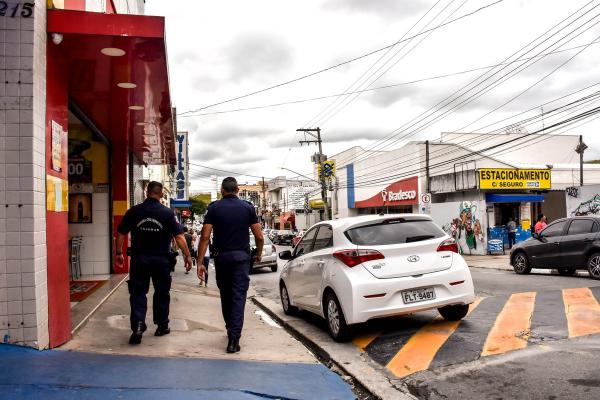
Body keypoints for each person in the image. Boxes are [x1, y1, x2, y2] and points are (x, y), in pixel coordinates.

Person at [115, 181, 193, 345]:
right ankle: (162, 326)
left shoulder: (134, 211)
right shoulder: (167, 213)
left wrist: (118, 253)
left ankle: (137, 325)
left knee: (137, 293)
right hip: (161, 260)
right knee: (162, 293)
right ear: (161, 194)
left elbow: (121, 233)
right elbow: (179, 237)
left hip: (139, 260)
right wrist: (187, 256)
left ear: (146, 192)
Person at [197, 177, 264, 353]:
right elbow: (259, 236)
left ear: (222, 190)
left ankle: (230, 330)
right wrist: (258, 252)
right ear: (237, 190)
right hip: (241, 258)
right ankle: (234, 339)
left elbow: (204, 236)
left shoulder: (214, 208)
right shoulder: (248, 208)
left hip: (222, 259)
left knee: (226, 296)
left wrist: (199, 262)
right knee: (238, 297)